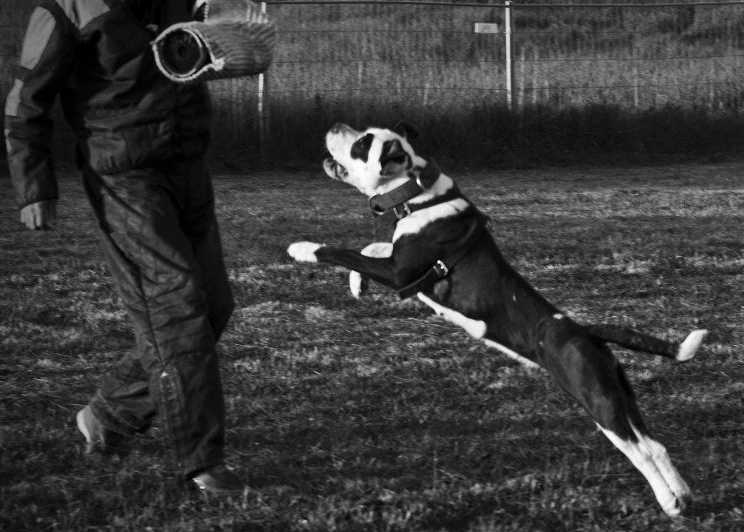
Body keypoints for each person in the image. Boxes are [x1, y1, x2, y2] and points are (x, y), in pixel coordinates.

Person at [5, 0, 242, 494]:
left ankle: (109, 415)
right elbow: (25, 99)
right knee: (175, 306)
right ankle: (202, 462)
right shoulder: (61, 9)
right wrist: (35, 185)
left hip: (188, 164)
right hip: (124, 175)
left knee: (215, 304)